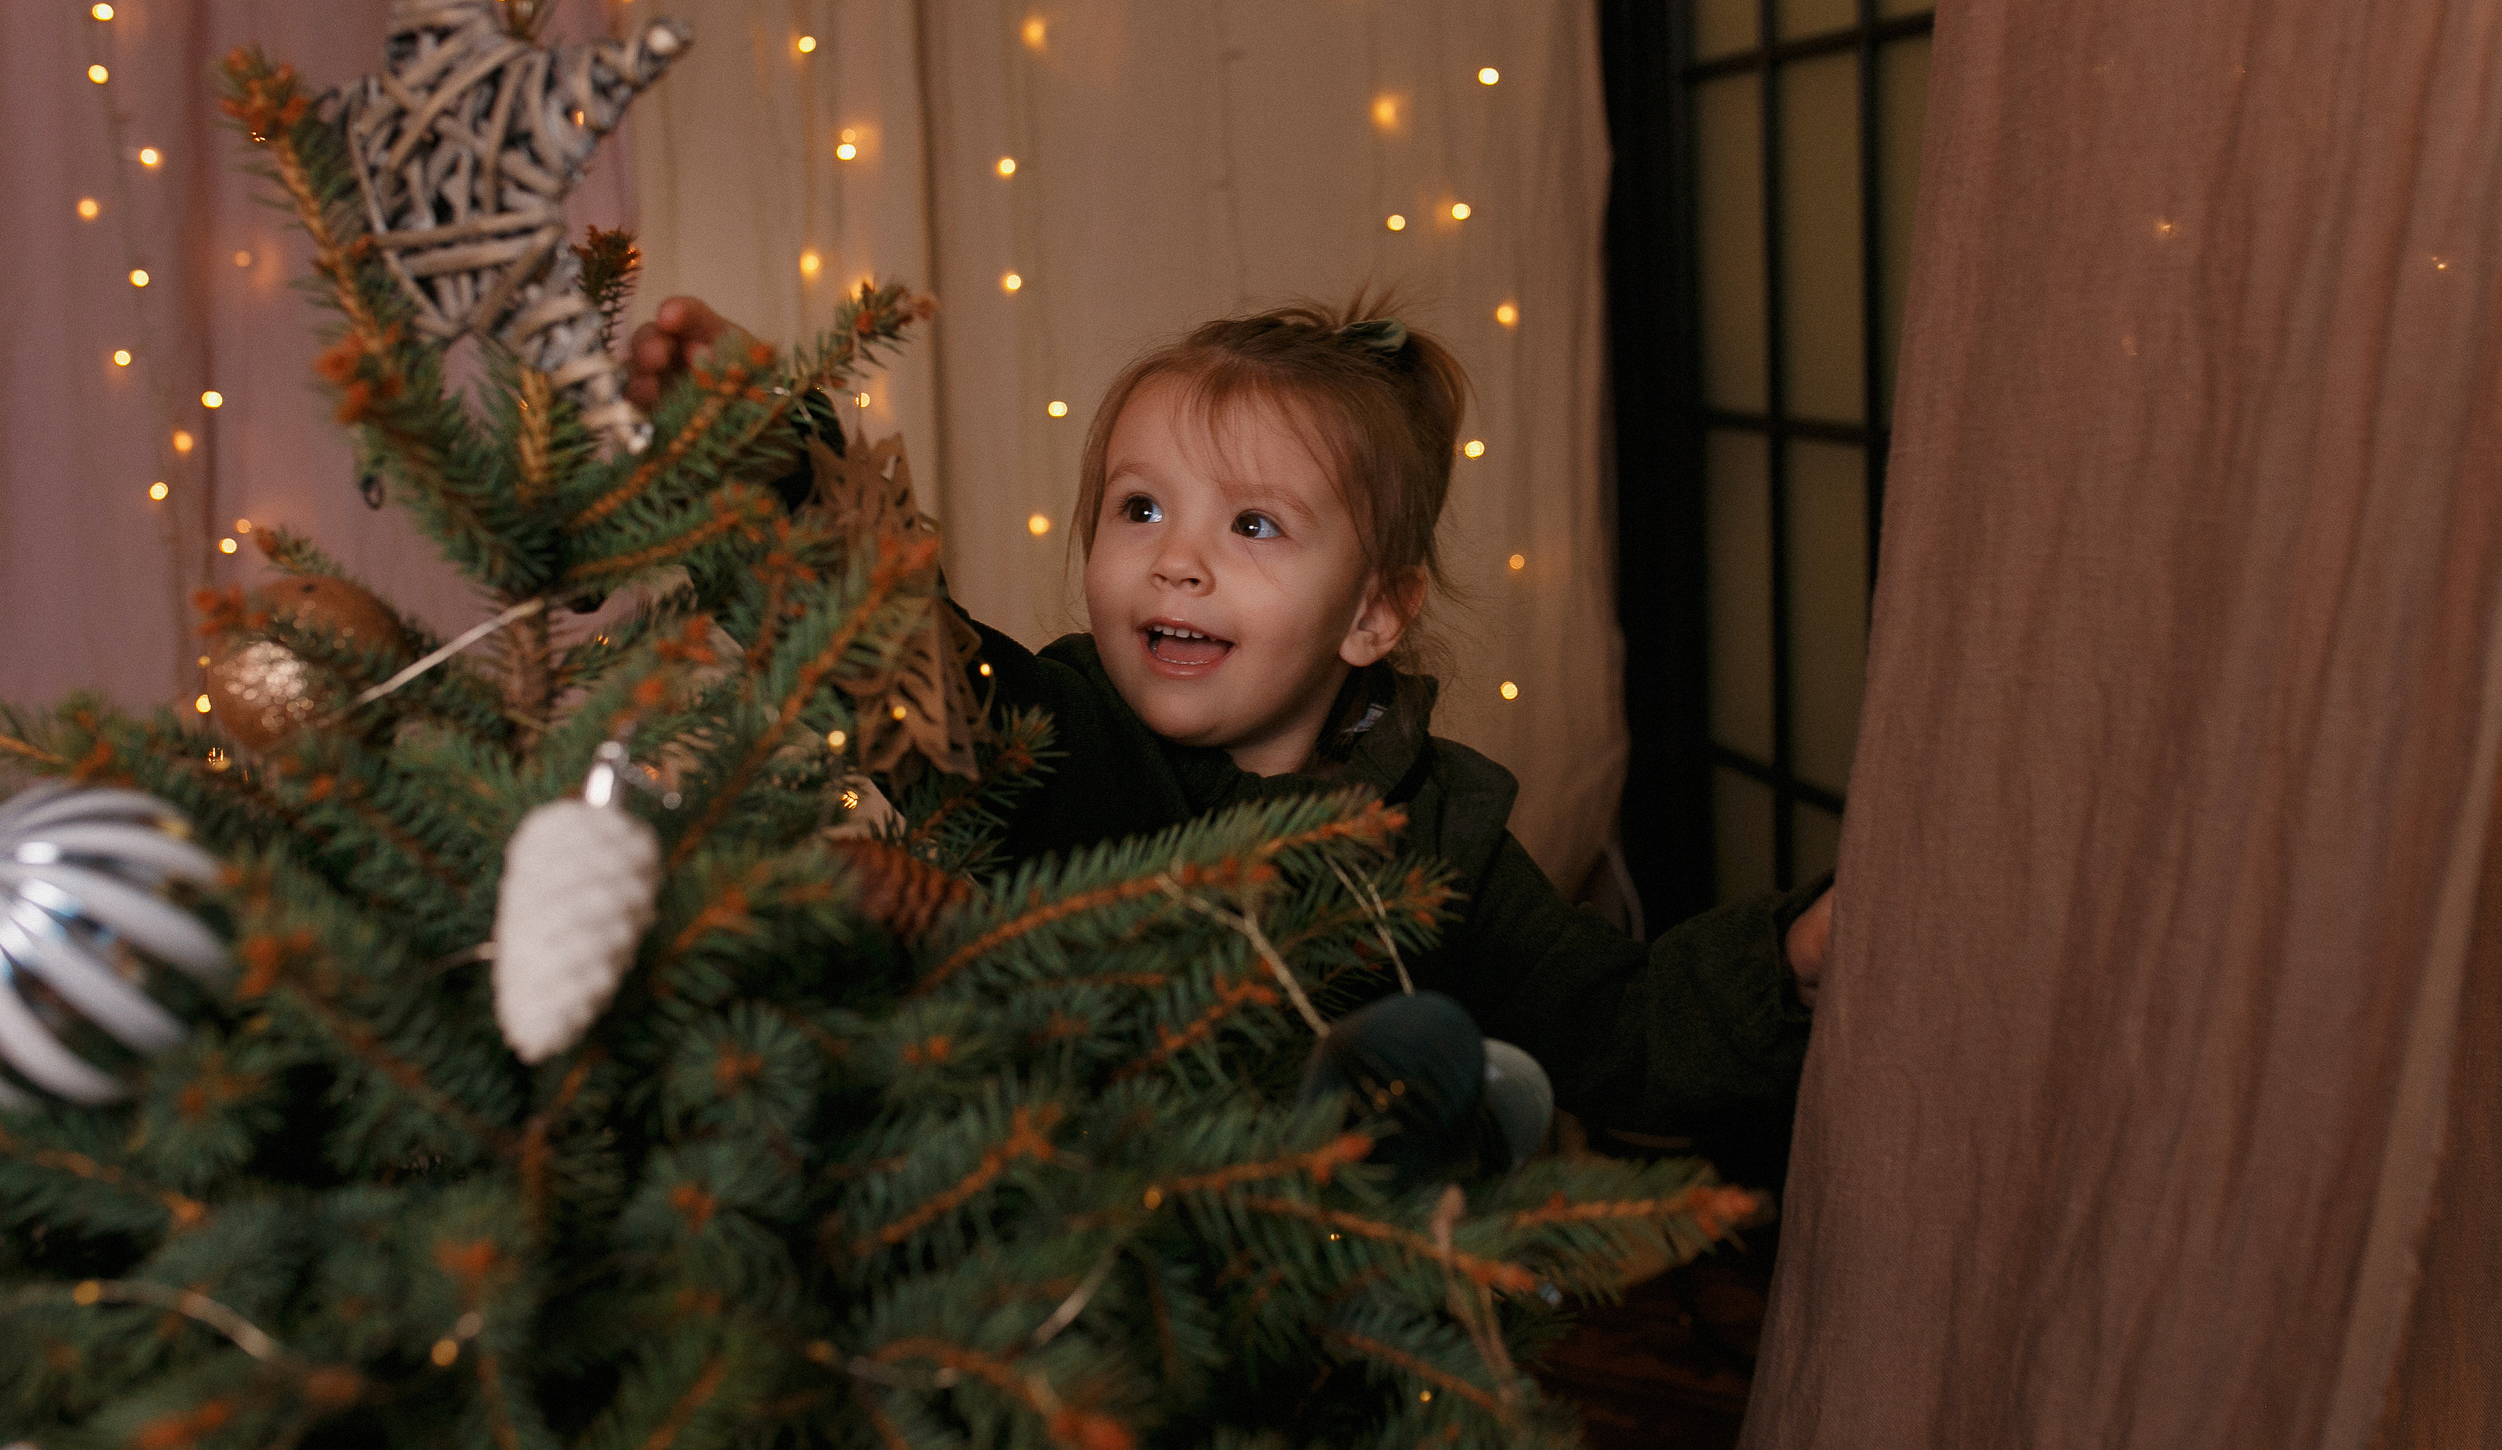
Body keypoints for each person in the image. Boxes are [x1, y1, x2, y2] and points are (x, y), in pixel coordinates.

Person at [628, 294, 1834, 1143]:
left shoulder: (1436, 833)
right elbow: (883, 649)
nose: (1177, 563)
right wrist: (766, 452)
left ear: (1372, 613)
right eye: (1139, 508)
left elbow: (1614, 1025)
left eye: (1251, 526)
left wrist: (1789, 960)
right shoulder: (1046, 738)